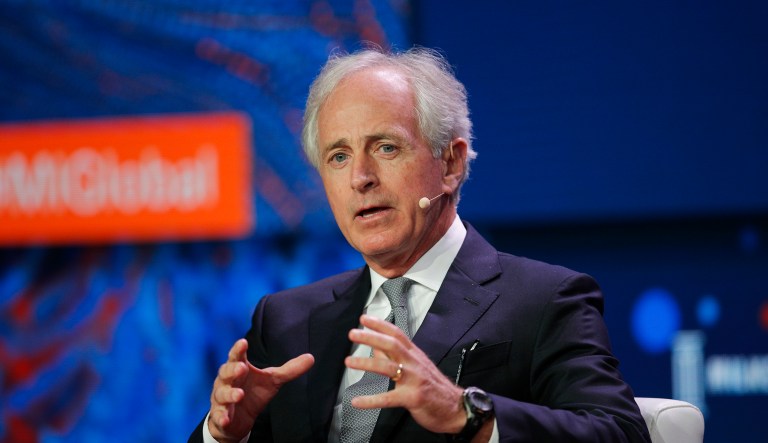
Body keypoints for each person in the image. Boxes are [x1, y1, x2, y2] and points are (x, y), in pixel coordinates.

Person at [189, 46, 651, 443]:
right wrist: (226, 434)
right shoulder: (285, 321)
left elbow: (619, 432)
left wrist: (466, 413)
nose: (360, 178)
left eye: (386, 148)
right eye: (339, 156)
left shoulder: (545, 301)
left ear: (450, 163)